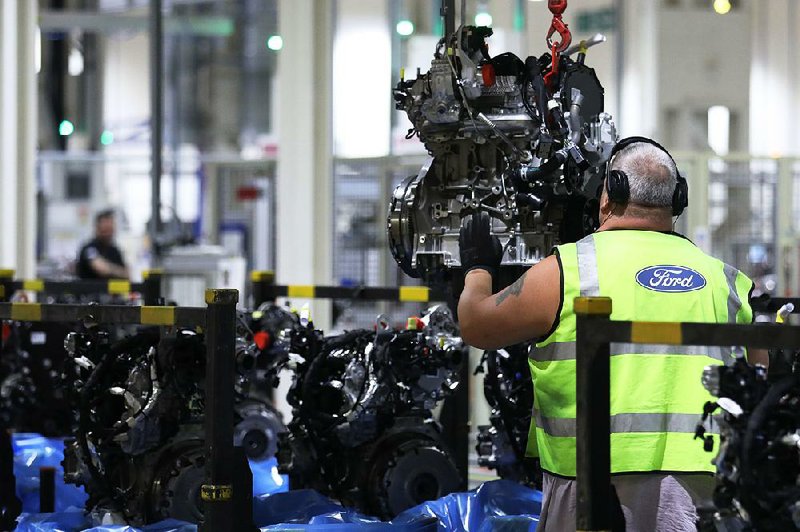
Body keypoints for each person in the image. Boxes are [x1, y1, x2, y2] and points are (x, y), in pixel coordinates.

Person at [457, 137, 768, 531]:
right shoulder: (725, 280)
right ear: (679, 199)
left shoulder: (571, 269)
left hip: (591, 483)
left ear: (610, 194)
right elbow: (759, 369)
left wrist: (477, 268)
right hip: (703, 484)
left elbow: (477, 324)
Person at [76, 209, 129, 279]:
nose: (108, 232)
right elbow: (101, 268)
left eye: (110, 228)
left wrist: (111, 269)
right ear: (97, 228)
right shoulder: (89, 248)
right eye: (105, 228)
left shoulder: (115, 250)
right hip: (90, 289)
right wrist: (117, 271)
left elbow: (127, 274)